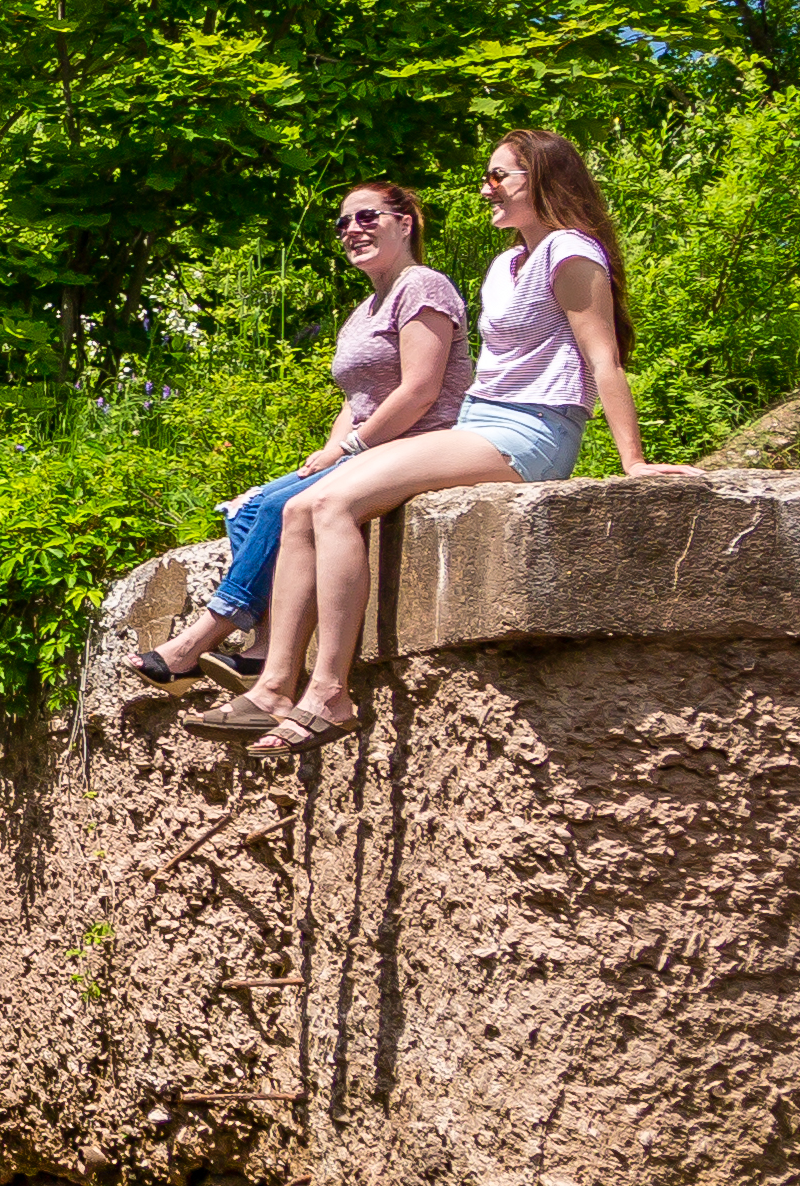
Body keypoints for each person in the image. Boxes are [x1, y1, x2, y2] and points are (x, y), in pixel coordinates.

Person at [204, 127, 669, 757]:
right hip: (479, 423)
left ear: (543, 178)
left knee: (337, 505)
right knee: (300, 504)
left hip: (532, 429)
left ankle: (328, 694)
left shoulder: (570, 251)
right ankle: (275, 687)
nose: (486, 188)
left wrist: (633, 462)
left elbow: (603, 358)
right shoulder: (506, 264)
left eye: (500, 176)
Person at [126, 180, 463, 704]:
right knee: (245, 509)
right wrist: (331, 448)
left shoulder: (423, 285)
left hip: (416, 441)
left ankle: (196, 642)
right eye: (343, 224)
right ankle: (261, 648)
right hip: (366, 445)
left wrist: (349, 450)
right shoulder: (365, 310)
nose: (352, 230)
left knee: (283, 506)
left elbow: (420, 390)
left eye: (367, 217)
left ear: (405, 221)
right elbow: (357, 397)